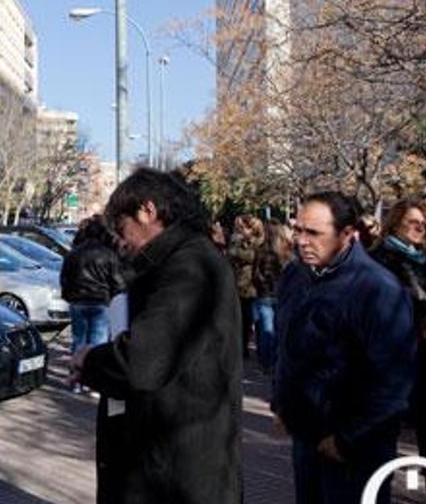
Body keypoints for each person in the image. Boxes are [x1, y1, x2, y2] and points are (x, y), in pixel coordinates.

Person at [70, 168, 242, 504]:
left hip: (175, 475)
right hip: (165, 465)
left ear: (148, 211)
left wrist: (89, 359)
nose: (121, 241)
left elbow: (144, 361)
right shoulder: (180, 262)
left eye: (123, 229)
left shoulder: (190, 266)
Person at [274, 192, 415, 504]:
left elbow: (393, 379)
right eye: (298, 230)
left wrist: (347, 438)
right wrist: (282, 401)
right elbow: (287, 344)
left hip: (356, 448)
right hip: (308, 434)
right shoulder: (295, 276)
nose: (301, 241)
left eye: (313, 233)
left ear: (348, 234)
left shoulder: (379, 290)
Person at [369, 199, 426, 504]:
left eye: (423, 224)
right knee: (387, 431)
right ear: (395, 223)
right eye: (413, 222)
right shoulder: (380, 260)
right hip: (396, 357)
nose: (420, 227)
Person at [60, 215, 129, 394]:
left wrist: (69, 296)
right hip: (101, 302)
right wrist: (116, 298)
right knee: (97, 343)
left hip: (78, 301)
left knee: (78, 340)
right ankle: (92, 382)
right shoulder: (109, 255)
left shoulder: (74, 253)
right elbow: (118, 282)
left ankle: (75, 380)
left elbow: (65, 278)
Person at [252, 219, 288, 374]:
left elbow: (256, 274)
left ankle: (267, 364)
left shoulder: (261, 250)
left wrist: (261, 285)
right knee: (278, 330)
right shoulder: (286, 251)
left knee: (267, 330)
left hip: (265, 294)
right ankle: (277, 362)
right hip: (282, 294)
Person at [228, 215, 262, 360]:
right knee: (239, 319)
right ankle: (240, 348)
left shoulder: (256, 242)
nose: (243, 231)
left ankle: (245, 347)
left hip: (250, 286)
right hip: (238, 285)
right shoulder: (236, 239)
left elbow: (250, 257)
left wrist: (240, 247)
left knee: (248, 319)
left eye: (246, 228)